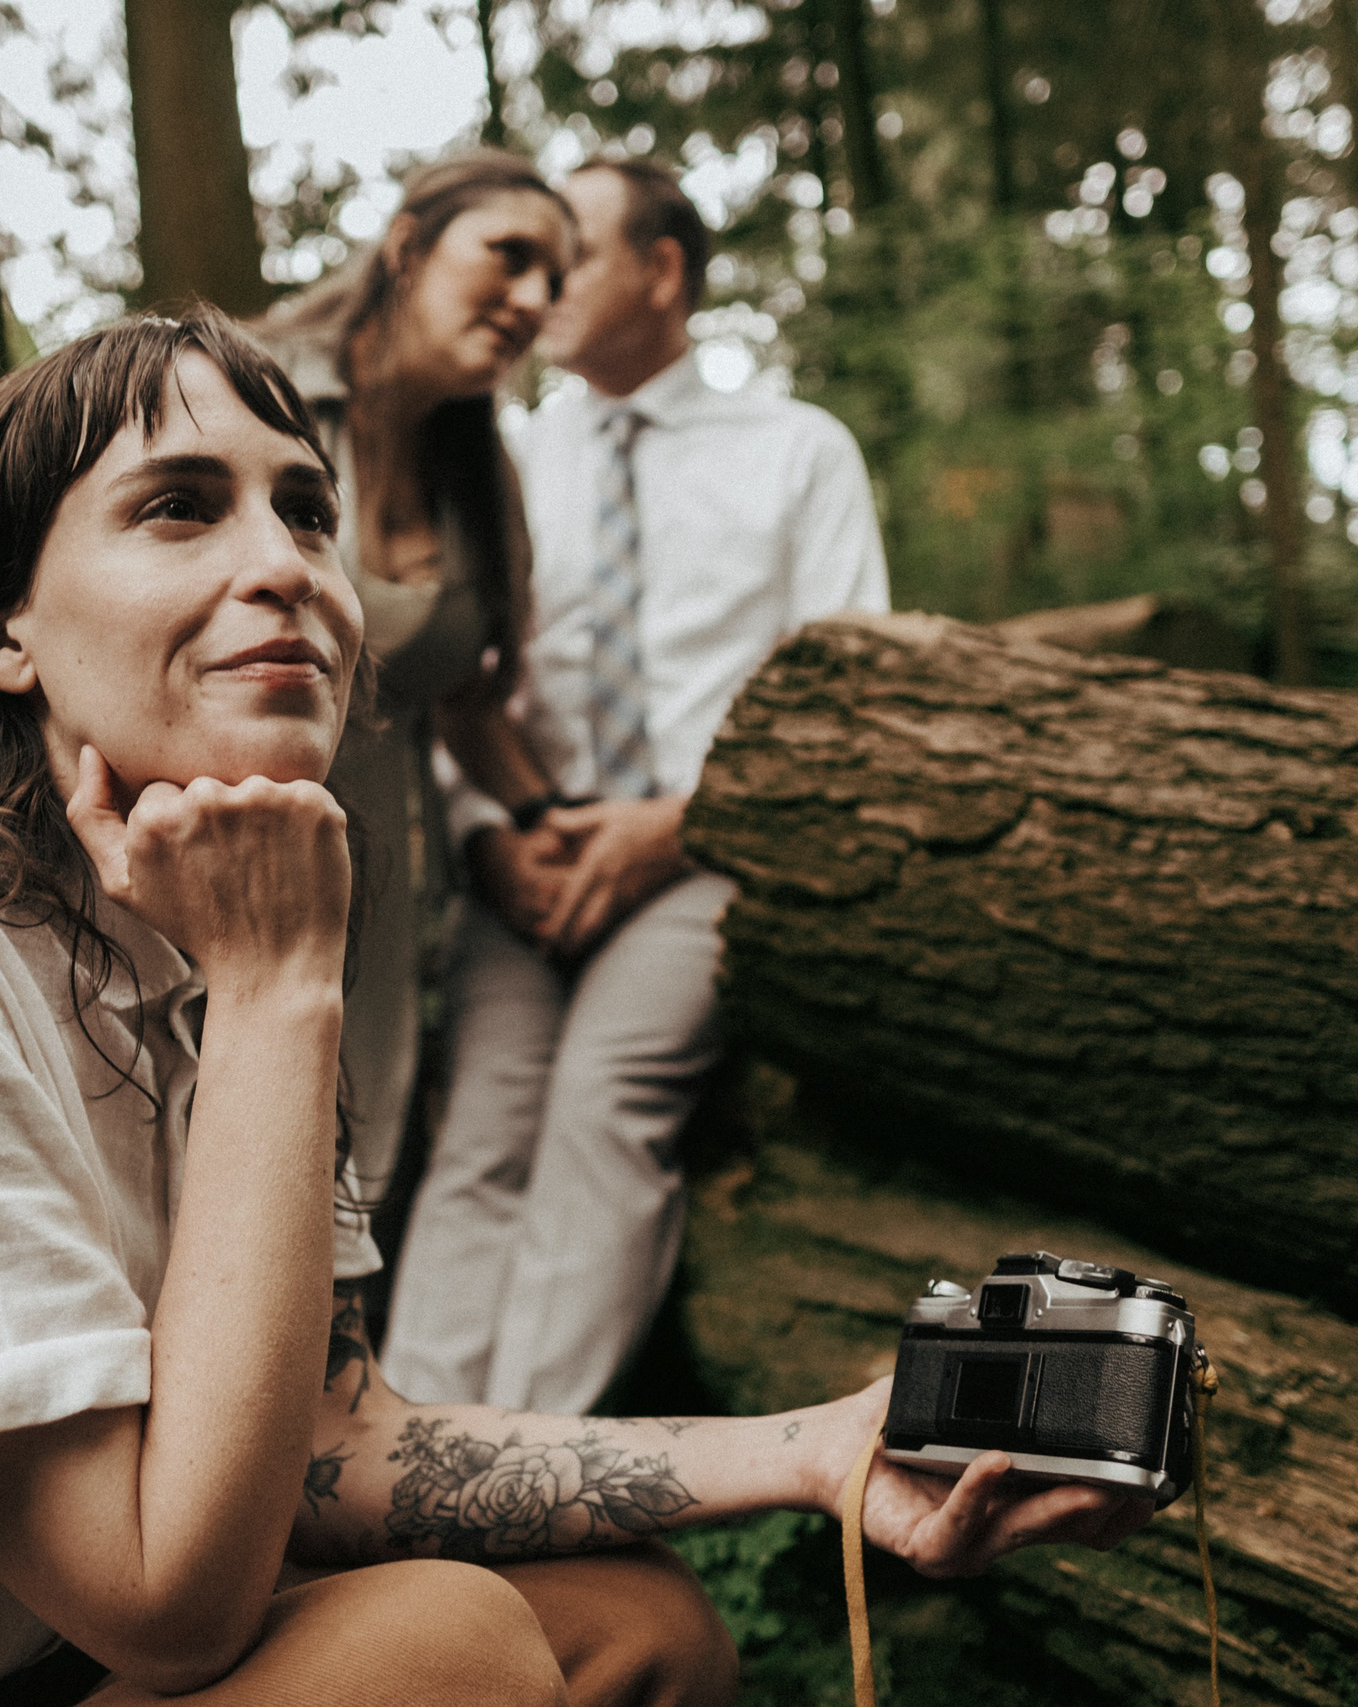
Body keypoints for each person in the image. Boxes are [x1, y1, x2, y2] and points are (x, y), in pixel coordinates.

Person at [0, 310, 1144, 1706]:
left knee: (631, 1623)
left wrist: (816, 1447)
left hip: (3, 1665)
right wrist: (286, 989)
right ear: (3, 632)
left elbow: (333, 1442)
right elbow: (164, 1601)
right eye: (180, 505)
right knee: (438, 1653)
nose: (289, 560)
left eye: (305, 506)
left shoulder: (198, 931)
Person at [384, 160, 891, 1415]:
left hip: (706, 864)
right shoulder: (496, 460)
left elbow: (849, 702)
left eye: (578, 258)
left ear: (663, 270)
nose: (540, 291)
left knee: (605, 1103)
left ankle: (523, 1468)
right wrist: (490, 838)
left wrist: (677, 832)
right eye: (527, 259)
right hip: (521, 868)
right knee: (481, 1134)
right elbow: (463, 687)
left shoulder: (796, 452)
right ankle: (398, 1462)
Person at [247, 151, 573, 1201]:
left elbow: (466, 705)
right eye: (509, 257)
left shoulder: (485, 478)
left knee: (352, 1175)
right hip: (216, 842)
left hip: (378, 888)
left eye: (555, 283)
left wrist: (559, 829)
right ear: (407, 247)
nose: (532, 301)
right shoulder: (246, 386)